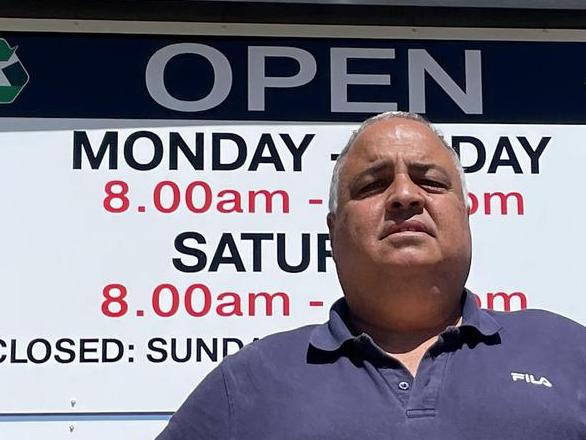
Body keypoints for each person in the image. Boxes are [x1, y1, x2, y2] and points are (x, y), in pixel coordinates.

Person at [157, 112, 586, 440]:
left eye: (431, 181)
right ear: (333, 229)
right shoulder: (250, 381)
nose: (404, 195)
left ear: (465, 213)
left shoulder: (567, 352)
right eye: (371, 185)